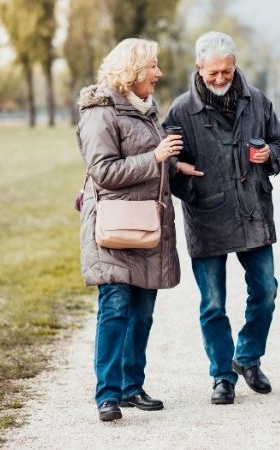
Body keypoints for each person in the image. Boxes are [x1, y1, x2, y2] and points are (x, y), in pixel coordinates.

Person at [162, 31, 280, 406]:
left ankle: (247, 357)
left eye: (227, 71)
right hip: (206, 214)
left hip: (253, 211)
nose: (220, 78)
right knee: (213, 303)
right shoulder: (181, 111)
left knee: (266, 291)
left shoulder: (258, 102)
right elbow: (166, 160)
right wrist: (177, 168)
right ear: (199, 68)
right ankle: (222, 375)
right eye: (213, 72)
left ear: (235, 65)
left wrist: (270, 154)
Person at [76, 37, 182, 422]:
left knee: (142, 311)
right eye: (152, 66)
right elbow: (103, 171)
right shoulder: (99, 111)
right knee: (116, 307)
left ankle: (132, 387)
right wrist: (155, 158)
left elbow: (150, 162)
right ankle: (107, 393)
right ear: (133, 70)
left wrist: (173, 165)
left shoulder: (147, 111)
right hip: (114, 225)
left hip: (147, 225)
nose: (159, 74)